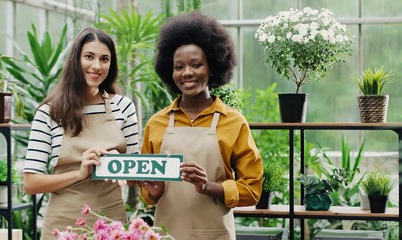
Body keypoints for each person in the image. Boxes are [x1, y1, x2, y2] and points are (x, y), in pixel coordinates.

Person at [138, 11, 263, 240]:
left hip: (215, 233)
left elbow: (252, 189)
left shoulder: (233, 122)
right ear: (170, 70)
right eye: (179, 67)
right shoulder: (156, 123)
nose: (187, 73)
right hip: (166, 233)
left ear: (213, 67)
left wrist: (209, 187)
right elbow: (147, 193)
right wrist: (152, 192)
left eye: (196, 65)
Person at [22, 27, 139, 239]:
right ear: (76, 60)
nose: (97, 66)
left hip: (111, 224)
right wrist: (79, 174)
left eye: (105, 59)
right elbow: (31, 183)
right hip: (64, 225)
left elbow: (133, 179)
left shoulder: (124, 107)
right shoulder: (49, 112)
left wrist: (118, 166)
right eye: (89, 57)